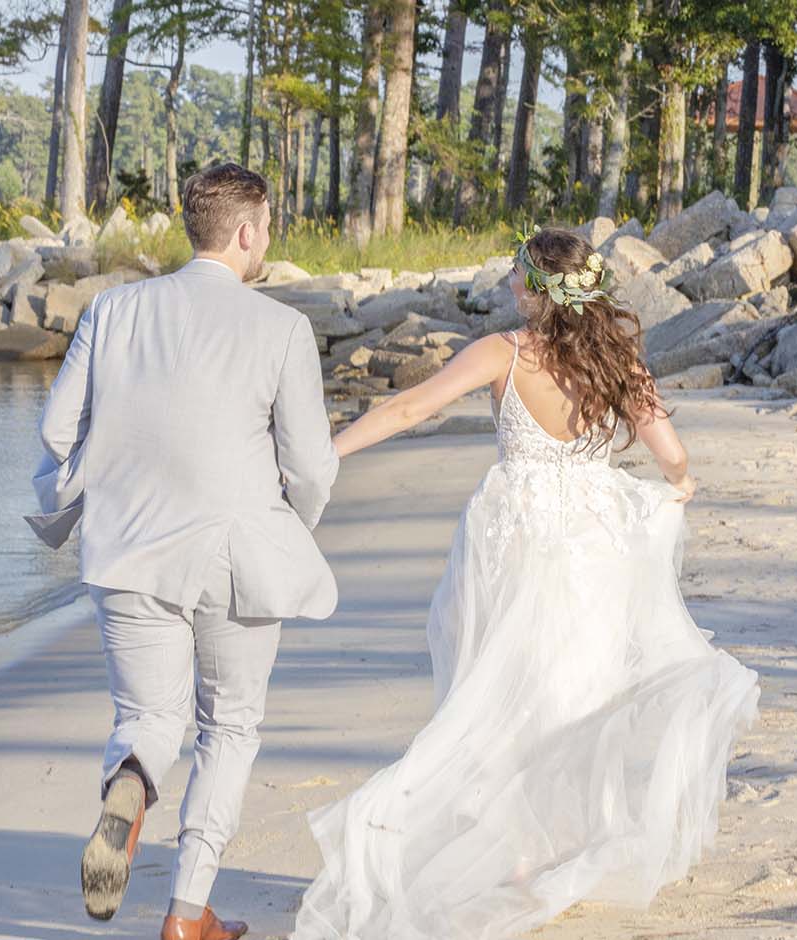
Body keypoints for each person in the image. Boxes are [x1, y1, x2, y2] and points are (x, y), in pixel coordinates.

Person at [290, 226, 761, 940]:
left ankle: (517, 854)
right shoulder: (618, 360)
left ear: (542, 290)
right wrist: (680, 481)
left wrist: (328, 453)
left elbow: (411, 408)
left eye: (518, 276)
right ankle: (542, 850)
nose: (509, 286)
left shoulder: (501, 354)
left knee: (501, 685)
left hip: (517, 537)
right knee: (572, 690)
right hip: (595, 544)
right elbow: (668, 448)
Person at [29, 162, 338, 940]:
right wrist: (291, 526)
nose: (267, 240)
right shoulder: (281, 327)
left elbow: (60, 433)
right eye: (266, 227)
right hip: (238, 554)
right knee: (228, 728)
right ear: (245, 232)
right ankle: (185, 915)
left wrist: (78, 504)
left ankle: (130, 780)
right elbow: (310, 465)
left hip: (128, 550)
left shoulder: (112, 311)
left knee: (148, 717)